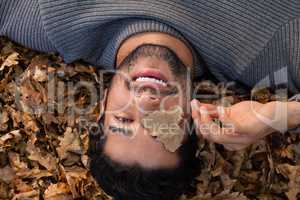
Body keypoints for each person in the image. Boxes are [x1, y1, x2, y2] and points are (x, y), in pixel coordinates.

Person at [1, 1, 300, 200]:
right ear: (192, 118)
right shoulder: (273, 50)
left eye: (124, 120)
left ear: (103, 104)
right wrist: (279, 115)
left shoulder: (53, 19)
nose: (145, 103)